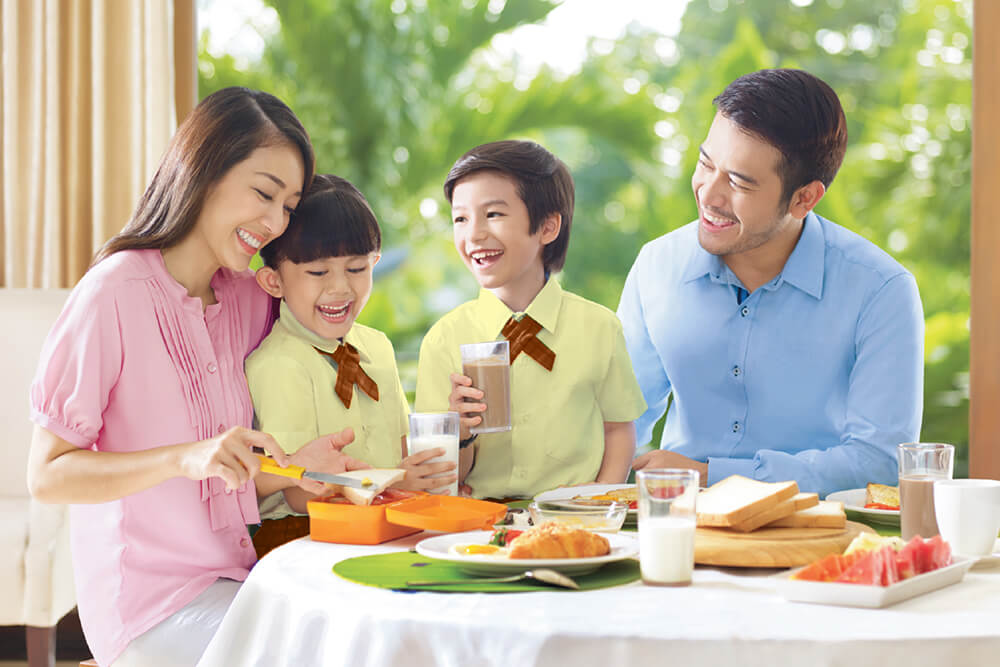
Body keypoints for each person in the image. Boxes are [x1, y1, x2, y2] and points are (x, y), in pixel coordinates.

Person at [26, 87, 365, 667]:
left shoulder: (247, 300)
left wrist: (294, 471)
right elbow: (48, 476)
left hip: (241, 582)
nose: (273, 221)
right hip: (148, 606)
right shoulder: (113, 292)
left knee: (370, 630)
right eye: (263, 193)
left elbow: (223, 468)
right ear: (204, 172)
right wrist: (180, 456)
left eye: (287, 205)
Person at [618, 68, 923, 497]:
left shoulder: (881, 290)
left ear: (804, 198)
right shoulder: (657, 266)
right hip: (677, 528)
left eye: (739, 182)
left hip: (819, 534)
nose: (709, 194)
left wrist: (710, 476)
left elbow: (880, 461)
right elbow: (620, 420)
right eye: (706, 164)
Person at [415, 140, 646, 499]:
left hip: (575, 516)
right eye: (460, 218)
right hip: (480, 525)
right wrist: (458, 430)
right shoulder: (445, 339)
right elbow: (440, 478)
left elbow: (618, 428)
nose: (473, 234)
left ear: (548, 227)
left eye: (493, 214)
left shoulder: (598, 328)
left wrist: (604, 495)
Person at [247, 173, 457, 520]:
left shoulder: (377, 346)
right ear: (274, 281)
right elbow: (301, 496)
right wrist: (400, 483)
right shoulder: (280, 364)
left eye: (357, 268)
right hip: (305, 539)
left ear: (374, 263)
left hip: (384, 524)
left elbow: (403, 448)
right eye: (318, 273)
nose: (341, 288)